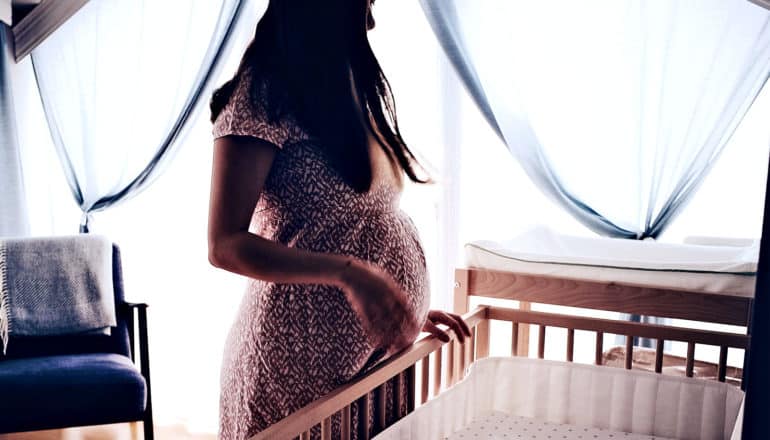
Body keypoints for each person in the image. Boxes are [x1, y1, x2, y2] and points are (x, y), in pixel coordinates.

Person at [207, 0, 470, 438]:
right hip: (296, 373)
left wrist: (397, 309)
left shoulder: (343, 88)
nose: (372, 9)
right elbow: (224, 244)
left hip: (366, 368)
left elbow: (350, 223)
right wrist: (351, 275)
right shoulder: (262, 95)